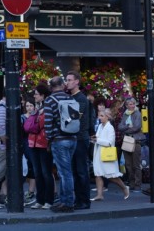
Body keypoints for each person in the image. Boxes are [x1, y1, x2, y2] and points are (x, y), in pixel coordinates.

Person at [44, 75, 77, 214]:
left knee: (64, 173)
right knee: (67, 171)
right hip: (72, 138)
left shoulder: (50, 100)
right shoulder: (70, 98)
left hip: (59, 140)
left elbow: (48, 124)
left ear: (51, 87)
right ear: (62, 85)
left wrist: (49, 139)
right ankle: (65, 200)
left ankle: (68, 202)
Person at [26, 83, 55, 210]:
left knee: (46, 173)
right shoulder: (37, 109)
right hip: (33, 143)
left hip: (44, 143)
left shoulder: (47, 107)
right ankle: (40, 200)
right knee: (37, 173)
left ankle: (49, 200)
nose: (34, 96)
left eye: (36, 94)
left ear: (43, 95)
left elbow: (41, 124)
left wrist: (36, 116)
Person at [65, 70, 91, 210]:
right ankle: (79, 200)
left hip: (80, 138)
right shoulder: (71, 98)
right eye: (67, 80)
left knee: (81, 171)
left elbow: (74, 118)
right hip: (74, 138)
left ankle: (84, 201)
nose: (67, 82)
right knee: (75, 171)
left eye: (69, 80)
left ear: (76, 82)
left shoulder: (81, 99)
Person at [90, 108, 129, 201]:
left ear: (107, 117)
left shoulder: (110, 128)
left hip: (107, 154)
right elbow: (98, 138)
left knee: (111, 176)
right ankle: (99, 195)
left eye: (102, 116)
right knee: (98, 174)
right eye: (99, 116)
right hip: (98, 153)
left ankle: (124, 187)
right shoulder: (100, 126)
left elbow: (110, 143)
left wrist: (97, 140)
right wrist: (93, 139)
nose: (99, 118)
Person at [117, 97, 144, 192]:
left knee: (136, 164)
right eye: (130, 104)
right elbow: (119, 127)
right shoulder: (125, 114)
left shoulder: (137, 113)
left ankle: (138, 185)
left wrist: (125, 128)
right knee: (128, 164)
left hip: (136, 140)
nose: (132, 105)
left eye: (133, 103)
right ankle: (131, 183)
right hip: (127, 140)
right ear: (126, 105)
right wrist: (128, 126)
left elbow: (136, 127)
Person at [21, 96, 36, 203]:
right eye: (27, 106)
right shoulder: (22, 117)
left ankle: (31, 191)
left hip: (34, 143)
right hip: (25, 143)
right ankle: (29, 191)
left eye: (31, 106)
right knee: (26, 167)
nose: (29, 108)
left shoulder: (36, 116)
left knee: (32, 166)